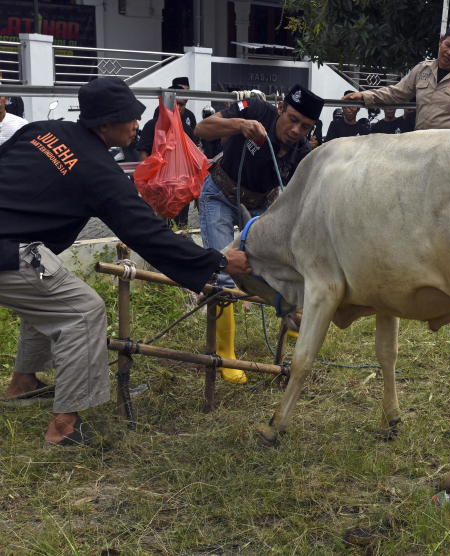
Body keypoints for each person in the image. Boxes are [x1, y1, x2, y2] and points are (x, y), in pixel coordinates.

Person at [0, 77, 251, 445]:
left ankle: (23, 383)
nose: (137, 123)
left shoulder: (42, 130)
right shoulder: (99, 171)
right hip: (10, 252)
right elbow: (148, 234)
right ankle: (63, 428)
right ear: (103, 124)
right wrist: (217, 262)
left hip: (15, 245)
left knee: (51, 288)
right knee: (83, 310)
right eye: (129, 118)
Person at [194, 84, 323, 383]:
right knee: (223, 270)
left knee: (281, 265)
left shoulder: (302, 153)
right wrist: (240, 124)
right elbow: (202, 128)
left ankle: (291, 315)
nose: (296, 130)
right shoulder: (255, 109)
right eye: (292, 119)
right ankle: (226, 356)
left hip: (260, 208)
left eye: (305, 126)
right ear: (280, 109)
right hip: (220, 194)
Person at [342, 26, 450, 130]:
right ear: (440, 41)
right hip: (421, 145)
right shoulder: (421, 69)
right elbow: (396, 93)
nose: (449, 52)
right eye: (447, 45)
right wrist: (363, 95)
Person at [137, 86, 199, 228]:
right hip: (156, 189)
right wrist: (148, 185)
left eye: (181, 104)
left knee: (180, 228)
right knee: (154, 229)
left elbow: (193, 161)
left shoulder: (187, 130)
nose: (177, 107)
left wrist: (195, 192)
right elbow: (143, 155)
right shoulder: (151, 126)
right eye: (174, 103)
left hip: (180, 191)